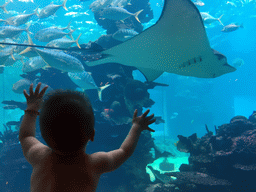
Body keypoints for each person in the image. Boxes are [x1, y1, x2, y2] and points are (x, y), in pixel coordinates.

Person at [19, 82, 156, 192]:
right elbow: (124, 151)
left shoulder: (39, 155)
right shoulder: (94, 163)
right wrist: (136, 127)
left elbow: (26, 136)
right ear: (92, 134)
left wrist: (32, 108)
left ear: (43, 135)